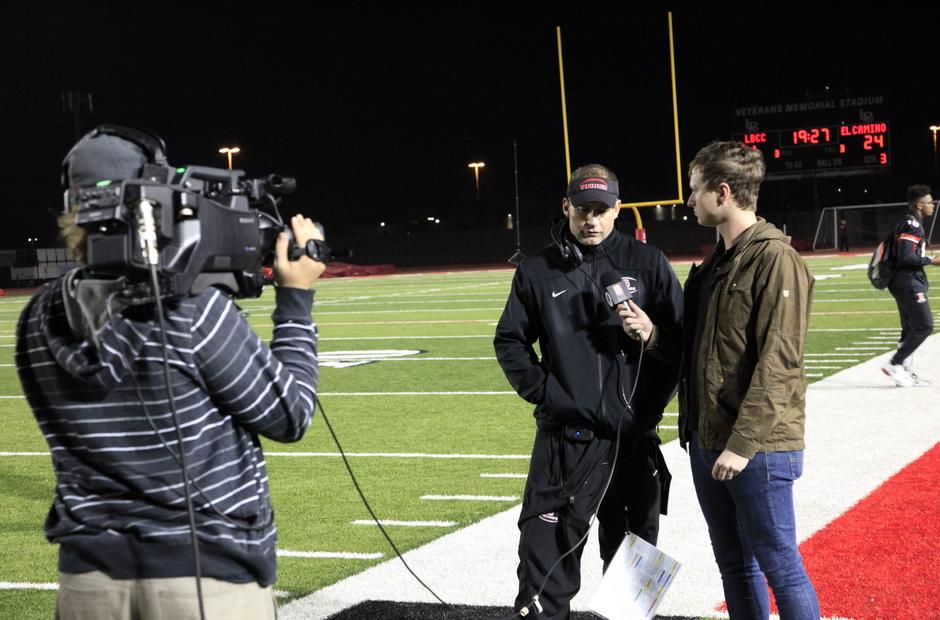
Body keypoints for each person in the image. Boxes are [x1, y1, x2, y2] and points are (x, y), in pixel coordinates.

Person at [16, 126, 326, 619]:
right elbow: (290, 415)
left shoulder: (38, 316)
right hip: (202, 577)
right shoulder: (192, 311)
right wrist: (295, 301)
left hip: (87, 582)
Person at [494, 164, 682, 619]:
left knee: (633, 588)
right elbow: (510, 341)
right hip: (565, 443)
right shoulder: (538, 270)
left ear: (618, 210)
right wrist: (550, 395)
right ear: (566, 207)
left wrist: (653, 337)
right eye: (582, 210)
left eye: (601, 210)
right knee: (543, 578)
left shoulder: (649, 263)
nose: (591, 220)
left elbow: (682, 345)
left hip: (634, 444)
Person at [676, 141, 819, 619]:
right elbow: (701, 350)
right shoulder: (717, 262)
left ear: (723, 192)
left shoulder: (775, 258)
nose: (689, 200)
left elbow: (780, 363)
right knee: (734, 567)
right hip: (710, 435)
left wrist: (741, 444)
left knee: (780, 565)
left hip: (756, 446)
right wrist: (651, 333)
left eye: (695, 191)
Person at [881, 184, 940, 387]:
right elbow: (907, 255)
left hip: (903, 281)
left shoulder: (910, 222)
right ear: (919, 205)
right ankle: (895, 364)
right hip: (907, 281)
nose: (932, 205)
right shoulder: (912, 224)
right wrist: (931, 260)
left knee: (909, 328)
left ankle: (903, 372)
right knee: (925, 325)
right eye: (929, 202)